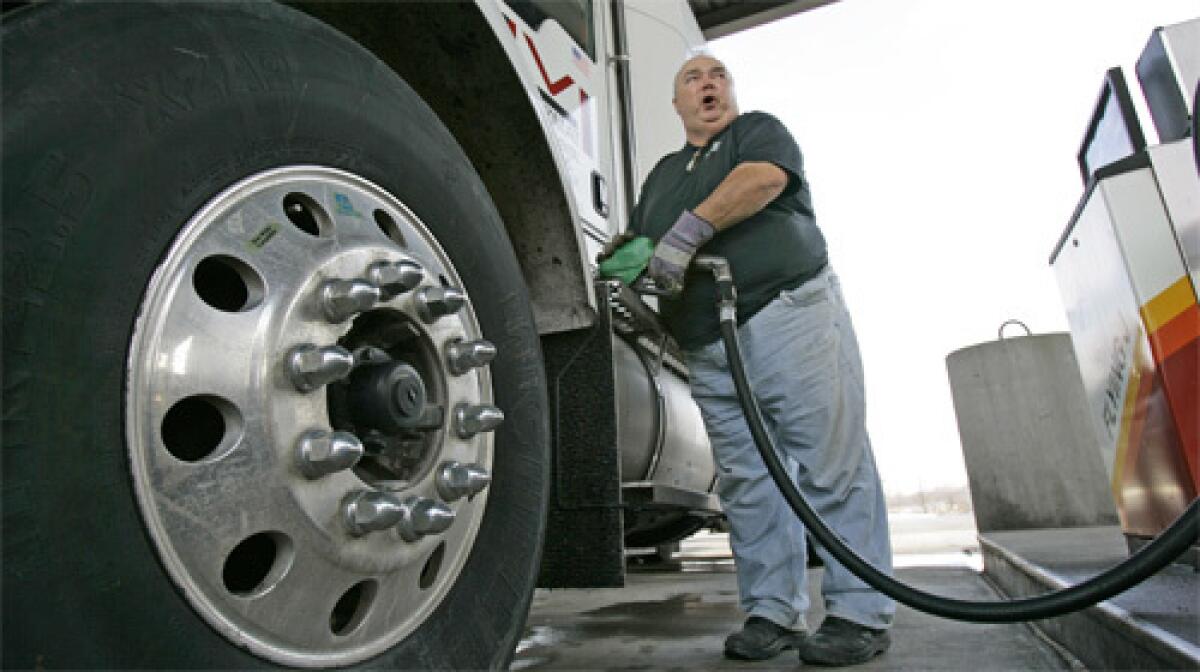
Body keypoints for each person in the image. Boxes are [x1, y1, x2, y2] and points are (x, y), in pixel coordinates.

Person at [600, 53, 896, 666]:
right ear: (676, 104)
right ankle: (774, 611)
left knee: (828, 462)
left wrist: (687, 235)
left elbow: (761, 181)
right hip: (709, 346)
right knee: (748, 483)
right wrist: (627, 253)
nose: (709, 84)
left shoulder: (756, 132)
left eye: (718, 76)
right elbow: (645, 244)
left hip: (786, 313)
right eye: (693, 79)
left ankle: (860, 612)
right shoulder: (661, 175)